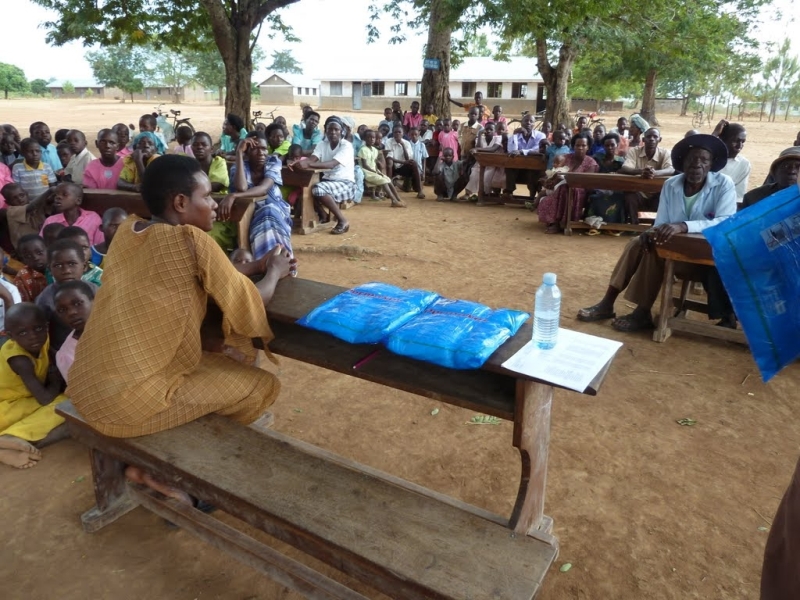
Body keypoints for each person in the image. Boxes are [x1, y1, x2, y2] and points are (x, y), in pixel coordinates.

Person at [68, 156, 293, 471]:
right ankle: (190, 467)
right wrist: (274, 272)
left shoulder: (128, 232)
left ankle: (169, 451)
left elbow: (200, 272)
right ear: (180, 202)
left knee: (211, 360)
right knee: (260, 386)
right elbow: (252, 298)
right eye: (206, 196)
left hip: (87, 387)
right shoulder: (191, 239)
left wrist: (255, 265)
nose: (214, 205)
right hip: (125, 405)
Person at [577, 134, 736, 331]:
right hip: (675, 252)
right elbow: (661, 222)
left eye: (704, 160)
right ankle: (608, 303)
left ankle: (642, 312)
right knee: (639, 243)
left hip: (705, 260)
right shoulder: (671, 184)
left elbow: (724, 222)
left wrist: (683, 226)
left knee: (654, 252)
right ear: (682, 162)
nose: (697, 164)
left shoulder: (723, 184)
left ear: (711, 164)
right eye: (692, 159)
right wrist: (651, 232)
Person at [0, 303, 68, 469]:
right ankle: (13, 437)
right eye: (23, 332)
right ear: (10, 336)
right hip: (6, 405)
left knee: (64, 404)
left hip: (25, 400)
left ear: (46, 326)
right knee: (63, 405)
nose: (33, 336)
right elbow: (44, 399)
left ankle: (6, 444)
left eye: (38, 328)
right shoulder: (19, 360)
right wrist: (55, 380)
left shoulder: (43, 341)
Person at [217, 133, 293, 258]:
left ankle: (279, 261)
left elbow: (263, 189)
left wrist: (233, 196)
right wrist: (239, 153)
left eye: (264, 149)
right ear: (246, 152)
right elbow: (241, 188)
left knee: (268, 212)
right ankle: (270, 262)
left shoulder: (273, 162)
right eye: (255, 149)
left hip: (277, 210)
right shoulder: (239, 167)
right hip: (249, 213)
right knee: (264, 216)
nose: (261, 153)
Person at [289, 117, 355, 235]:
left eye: (336, 129)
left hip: (345, 182)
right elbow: (311, 159)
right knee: (306, 190)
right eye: (330, 129)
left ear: (341, 131)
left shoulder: (346, 146)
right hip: (327, 181)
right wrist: (297, 163)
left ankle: (342, 220)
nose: (333, 132)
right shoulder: (322, 144)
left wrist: (308, 164)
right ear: (326, 130)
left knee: (318, 189)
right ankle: (323, 214)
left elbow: (332, 164)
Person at [36, 238, 99, 348]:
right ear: (50, 270)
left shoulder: (94, 290)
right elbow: (41, 332)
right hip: (63, 350)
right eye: (58, 265)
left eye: (72, 264)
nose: (66, 271)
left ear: (84, 266)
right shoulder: (45, 299)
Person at [537, 133, 600, 233]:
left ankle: (557, 223)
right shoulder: (565, 158)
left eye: (583, 145)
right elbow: (555, 170)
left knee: (565, 188)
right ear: (573, 146)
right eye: (577, 145)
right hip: (560, 188)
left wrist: (569, 180)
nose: (580, 148)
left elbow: (586, 181)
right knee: (561, 189)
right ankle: (555, 222)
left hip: (579, 191)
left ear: (588, 147)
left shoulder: (591, 163)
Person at [619, 127, 675, 224]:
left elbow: (671, 169)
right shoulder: (634, 151)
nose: (652, 139)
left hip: (656, 194)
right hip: (638, 193)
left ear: (660, 139)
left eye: (655, 137)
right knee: (629, 196)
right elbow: (625, 168)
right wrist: (641, 171)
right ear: (643, 139)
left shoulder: (664, 153)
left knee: (666, 197)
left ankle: (656, 226)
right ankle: (634, 226)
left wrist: (655, 173)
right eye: (649, 136)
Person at [54, 280, 94, 384]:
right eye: (62, 310)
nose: (71, 313)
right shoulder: (67, 355)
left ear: (94, 301)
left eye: (77, 303)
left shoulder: (118, 325)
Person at [503, 114, 546, 201]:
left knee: (533, 170)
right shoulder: (515, 135)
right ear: (521, 123)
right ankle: (509, 192)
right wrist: (515, 135)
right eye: (526, 121)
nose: (528, 123)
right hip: (518, 167)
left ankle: (532, 196)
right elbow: (512, 150)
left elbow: (538, 149)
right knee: (510, 166)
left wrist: (521, 151)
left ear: (534, 124)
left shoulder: (540, 135)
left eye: (531, 121)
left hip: (532, 167)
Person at [358, 129, 406, 208]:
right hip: (367, 172)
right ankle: (393, 201)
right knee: (384, 181)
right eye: (369, 137)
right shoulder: (363, 150)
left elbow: (374, 163)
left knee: (388, 180)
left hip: (374, 171)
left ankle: (398, 198)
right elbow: (365, 165)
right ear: (365, 139)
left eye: (373, 137)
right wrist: (375, 172)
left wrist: (378, 171)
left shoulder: (374, 150)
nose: (372, 139)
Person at [585, 133, 627, 224]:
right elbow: (591, 174)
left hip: (615, 189)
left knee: (619, 198)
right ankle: (594, 223)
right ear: (603, 146)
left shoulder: (621, 161)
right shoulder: (597, 158)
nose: (610, 147)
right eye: (607, 145)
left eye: (612, 145)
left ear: (617, 145)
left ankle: (614, 225)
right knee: (594, 197)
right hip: (598, 188)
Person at [1, 184, 55, 251]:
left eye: (22, 195)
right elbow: (31, 207)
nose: (20, 199)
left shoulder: (37, 206)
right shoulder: (11, 211)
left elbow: (48, 202)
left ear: (26, 194)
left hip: (42, 245)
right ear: (7, 202)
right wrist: (49, 191)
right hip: (26, 249)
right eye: (14, 198)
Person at [712, 120, 750, 202]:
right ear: (722, 139)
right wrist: (714, 135)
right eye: (735, 141)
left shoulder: (743, 164)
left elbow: (738, 197)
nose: (739, 146)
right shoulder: (707, 159)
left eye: (743, 142)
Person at [385, 126, 425, 199]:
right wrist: (403, 162)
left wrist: (402, 145)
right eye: (395, 132)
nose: (397, 134)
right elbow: (389, 157)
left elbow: (408, 158)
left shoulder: (407, 143)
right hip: (393, 166)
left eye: (399, 132)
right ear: (393, 133)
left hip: (402, 166)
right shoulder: (389, 141)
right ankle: (389, 191)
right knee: (389, 162)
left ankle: (420, 191)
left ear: (403, 134)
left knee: (414, 163)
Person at [12, 234, 48, 302]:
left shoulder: (59, 267)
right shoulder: (21, 279)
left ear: (47, 250)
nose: (36, 258)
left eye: (39, 253)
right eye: (28, 256)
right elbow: (24, 305)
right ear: (22, 259)